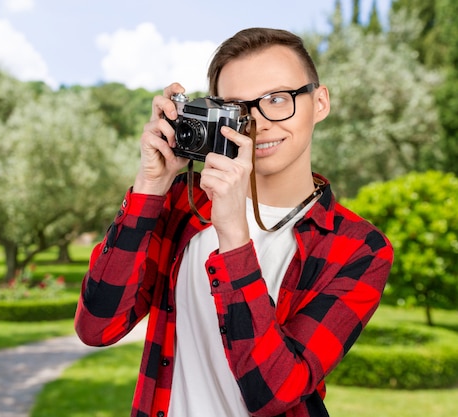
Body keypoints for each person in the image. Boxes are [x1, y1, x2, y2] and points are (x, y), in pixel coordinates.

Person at [75, 27, 393, 417]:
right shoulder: (182, 202)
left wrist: (234, 237)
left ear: (320, 102)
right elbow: (96, 327)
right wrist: (150, 186)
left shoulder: (358, 247)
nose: (258, 124)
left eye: (278, 99)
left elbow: (276, 392)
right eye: (238, 109)